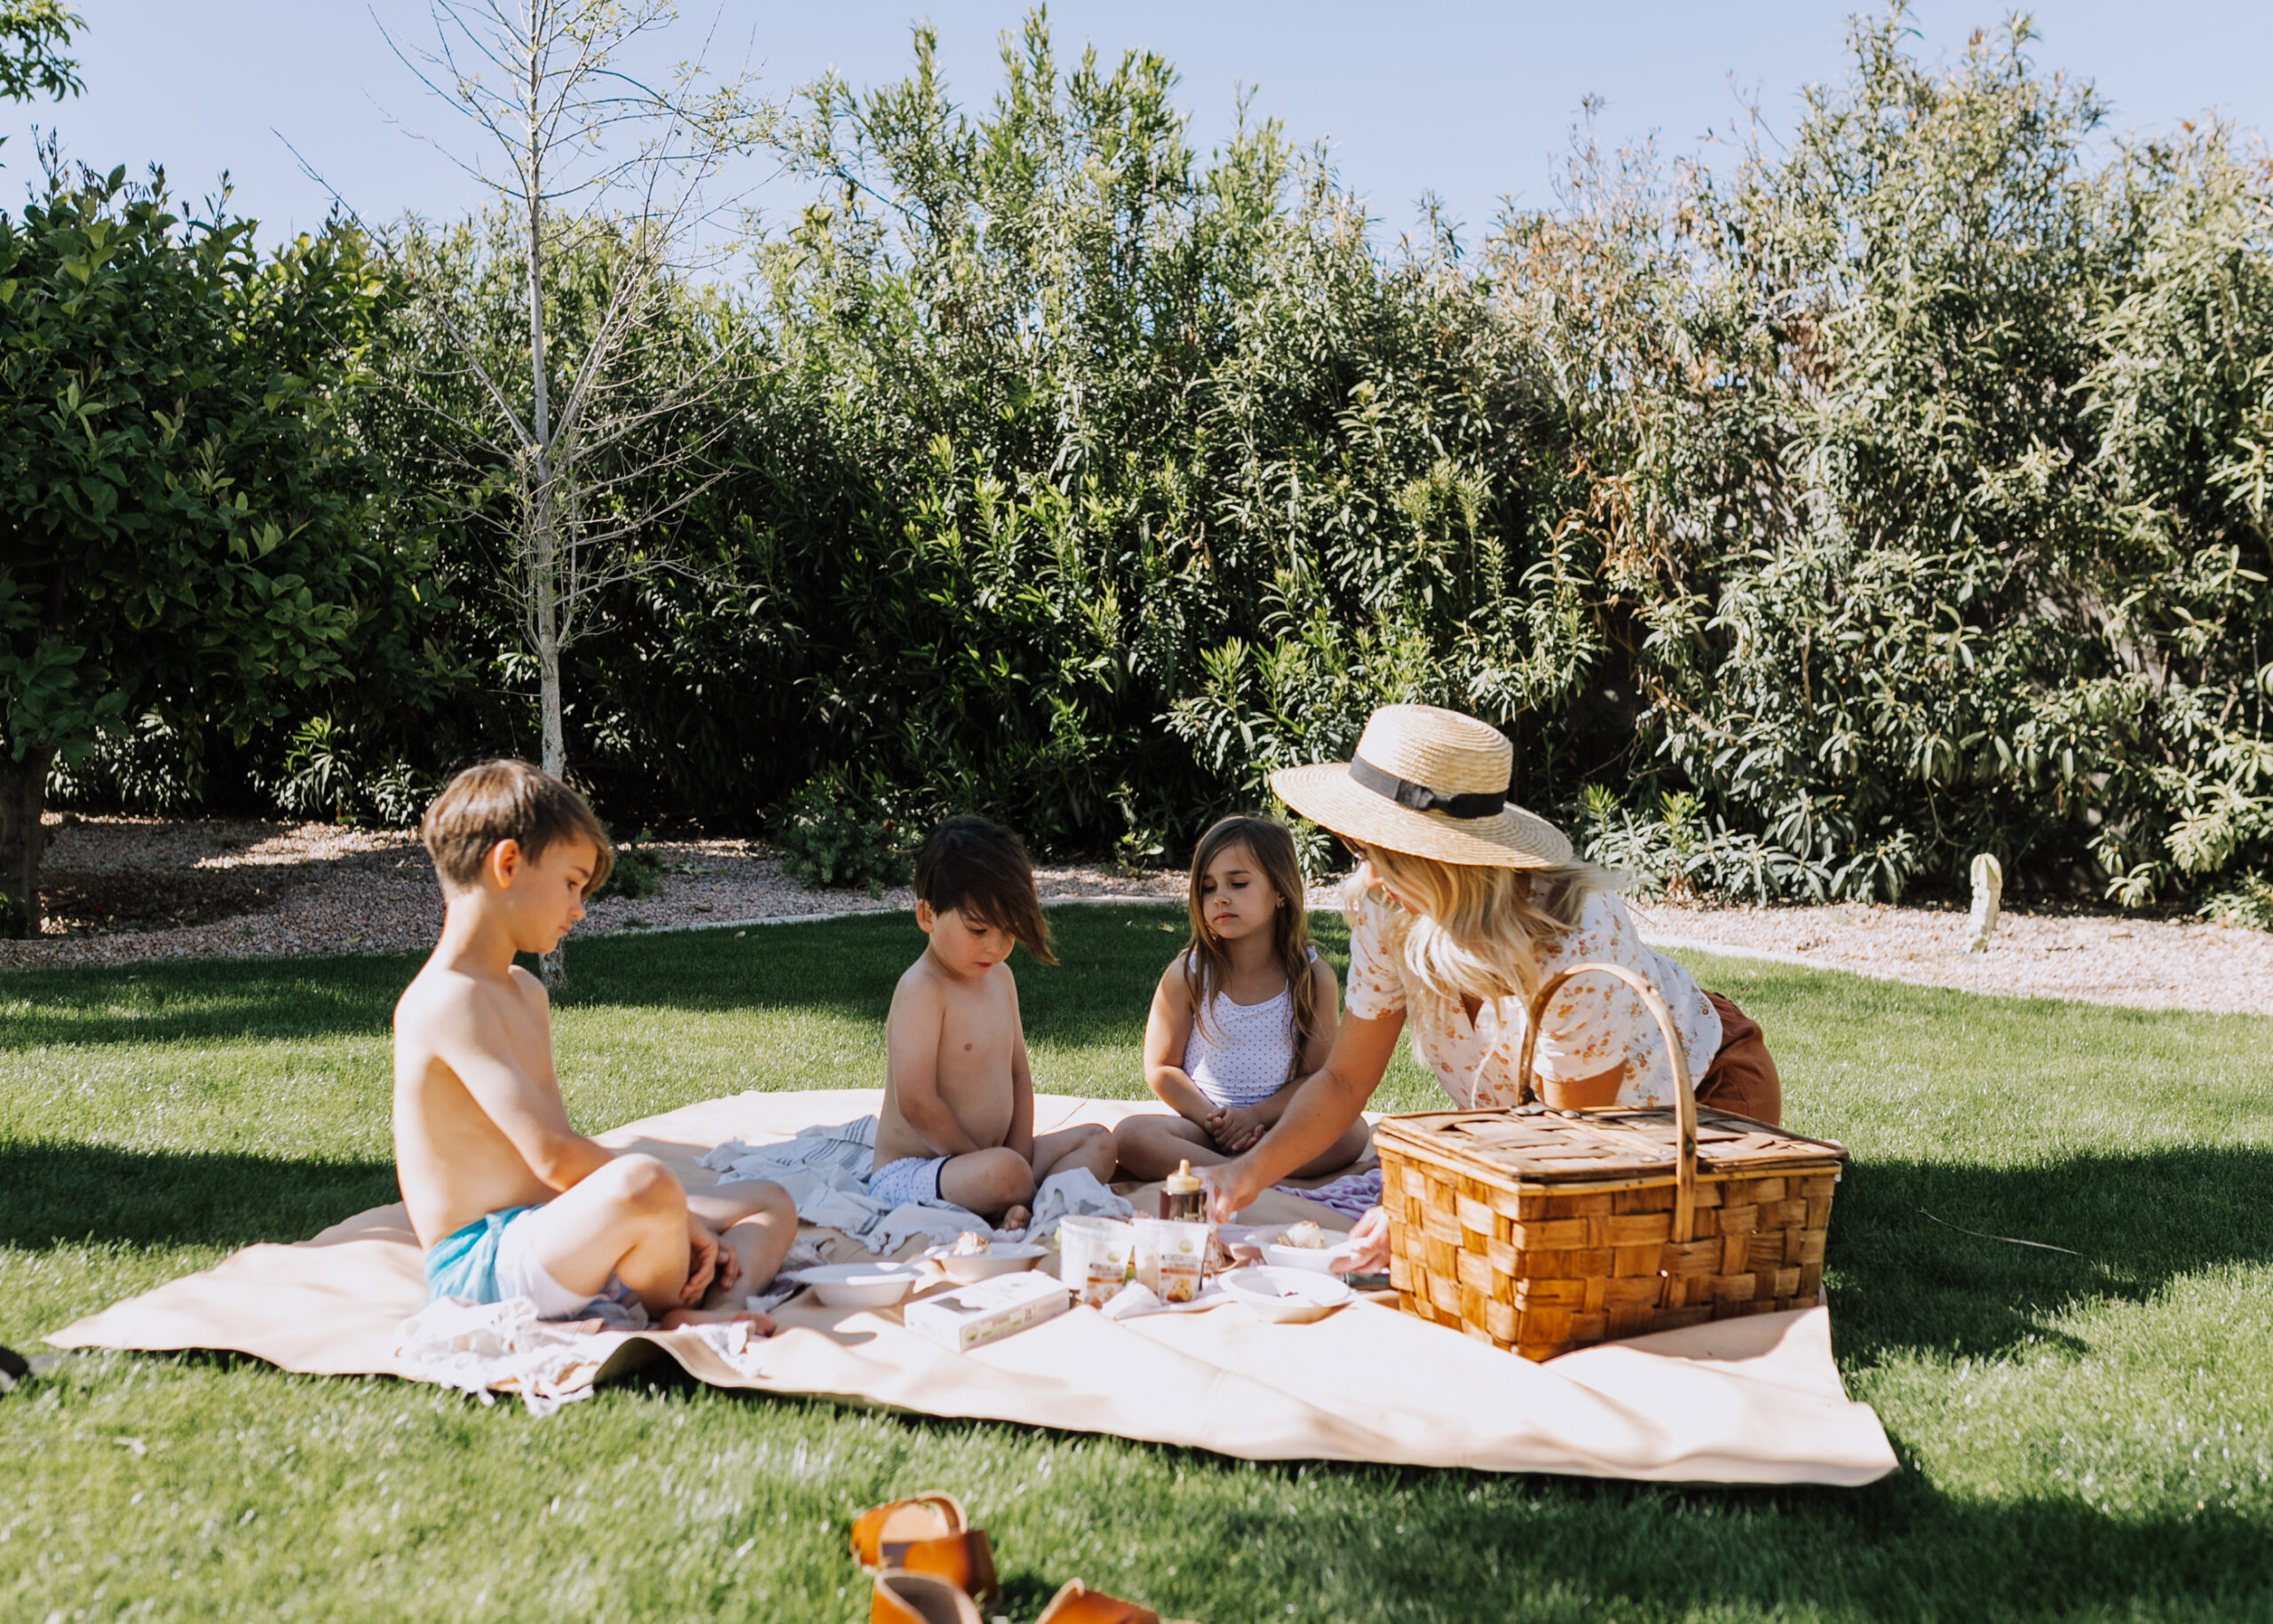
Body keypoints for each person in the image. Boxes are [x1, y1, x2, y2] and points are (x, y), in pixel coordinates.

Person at [1200, 705, 1784, 1270]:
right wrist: (1249, 1171)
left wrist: (1425, 1207)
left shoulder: (1574, 932)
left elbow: (1570, 1149)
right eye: (1360, 848)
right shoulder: (1388, 903)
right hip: (1548, 1125)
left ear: (1446, 861)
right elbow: (1345, 1079)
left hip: (1695, 1095)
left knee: (1622, 1256)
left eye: (1384, 853)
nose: (1369, 874)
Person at [395, 760, 794, 1329]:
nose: (578, 908)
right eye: (571, 883)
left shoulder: (524, 990)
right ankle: (671, 1304)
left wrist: (676, 1214)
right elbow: (554, 1154)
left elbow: (557, 1172)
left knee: (768, 1199)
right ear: (507, 864)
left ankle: (717, 1307)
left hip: (552, 1229)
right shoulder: (446, 1000)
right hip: (485, 1268)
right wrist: (674, 1212)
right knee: (648, 1182)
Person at [869, 815, 1118, 1228]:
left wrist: (1019, 1152)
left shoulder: (1000, 977)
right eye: (979, 929)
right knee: (1004, 1174)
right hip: (920, 1171)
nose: (996, 946)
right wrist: (983, 1159)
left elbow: (1018, 1073)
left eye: (1008, 931)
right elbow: (915, 1101)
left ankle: (1027, 1204)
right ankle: (1026, 1196)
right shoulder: (922, 989)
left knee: (1100, 1141)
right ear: (927, 915)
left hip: (996, 1159)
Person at [1110, 815, 1369, 1181]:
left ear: (1280, 892)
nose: (1221, 898)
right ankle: (1253, 1176)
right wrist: (1213, 1120)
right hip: (1202, 1131)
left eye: (1238, 883)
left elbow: (1314, 1077)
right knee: (1131, 1137)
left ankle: (1245, 1172)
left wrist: (1254, 1117)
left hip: (1275, 1128)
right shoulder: (1190, 973)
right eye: (1208, 888)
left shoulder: (1312, 978)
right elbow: (1162, 1068)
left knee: (1352, 1131)